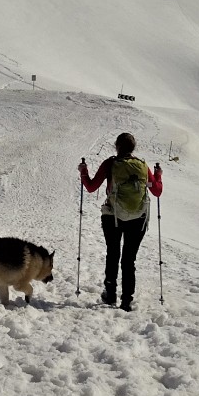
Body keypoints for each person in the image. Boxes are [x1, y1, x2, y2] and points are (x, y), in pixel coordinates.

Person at [79, 133, 163, 311]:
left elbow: (92, 187)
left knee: (113, 254)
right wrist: (158, 175)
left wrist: (83, 172)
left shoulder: (110, 164)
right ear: (133, 147)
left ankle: (110, 294)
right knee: (129, 259)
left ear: (116, 146)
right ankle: (127, 300)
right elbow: (156, 191)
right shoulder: (141, 165)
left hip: (113, 216)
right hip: (138, 218)